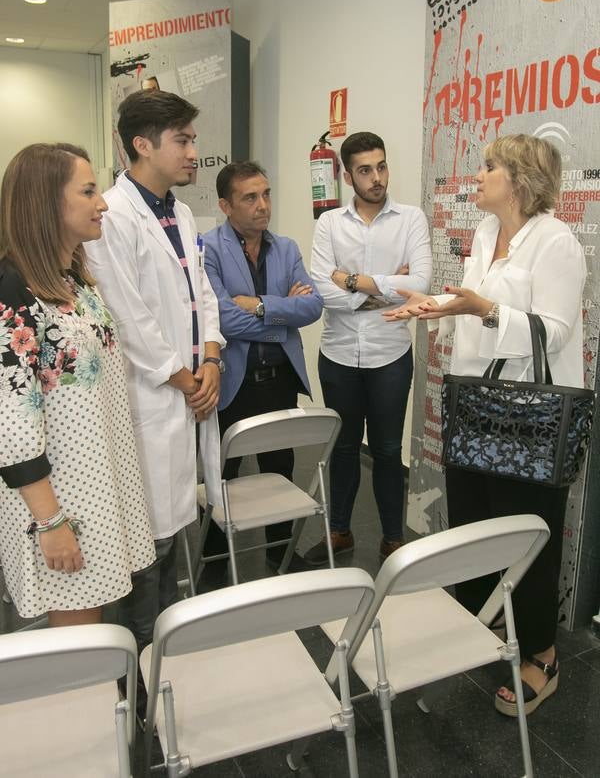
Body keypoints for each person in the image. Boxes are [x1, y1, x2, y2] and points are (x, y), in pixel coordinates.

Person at [384, 133, 585, 716]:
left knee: (528, 531)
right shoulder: (484, 234)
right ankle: (485, 624)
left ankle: (542, 655)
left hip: (527, 418)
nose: (479, 172)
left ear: (519, 181)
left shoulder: (557, 242)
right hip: (475, 404)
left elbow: (555, 330)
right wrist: (438, 307)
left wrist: (481, 308)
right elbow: (476, 306)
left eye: (490, 166)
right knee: (475, 521)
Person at [85, 91, 224, 652]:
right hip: (148, 397)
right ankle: (139, 660)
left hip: (189, 389)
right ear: (142, 145)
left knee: (177, 523)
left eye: (193, 139)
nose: (195, 152)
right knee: (147, 537)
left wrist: (211, 357)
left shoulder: (183, 212)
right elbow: (125, 314)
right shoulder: (113, 217)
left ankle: (167, 643)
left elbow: (204, 295)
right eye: (183, 141)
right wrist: (183, 377)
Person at [0, 143, 155, 626]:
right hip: (58, 501)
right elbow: (10, 422)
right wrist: (50, 522)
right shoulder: (13, 292)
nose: (103, 202)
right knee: (77, 638)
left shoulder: (74, 279)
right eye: (88, 192)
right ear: (47, 203)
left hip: (97, 483)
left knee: (93, 622)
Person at [307, 131, 432, 565]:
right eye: (365, 170)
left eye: (381, 166)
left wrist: (353, 280)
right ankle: (339, 531)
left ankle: (393, 539)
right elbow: (323, 290)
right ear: (346, 175)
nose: (376, 177)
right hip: (338, 353)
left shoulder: (411, 219)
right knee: (342, 447)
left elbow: (420, 285)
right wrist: (385, 290)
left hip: (390, 354)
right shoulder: (329, 224)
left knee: (385, 450)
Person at [202, 160, 323, 573]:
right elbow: (219, 319)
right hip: (232, 380)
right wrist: (281, 317)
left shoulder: (286, 248)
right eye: (249, 197)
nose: (262, 205)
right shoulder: (208, 249)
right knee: (222, 472)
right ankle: (215, 561)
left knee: (280, 467)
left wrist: (260, 306)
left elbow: (312, 306)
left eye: (266, 194)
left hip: (278, 380)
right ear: (225, 204)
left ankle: (281, 554)